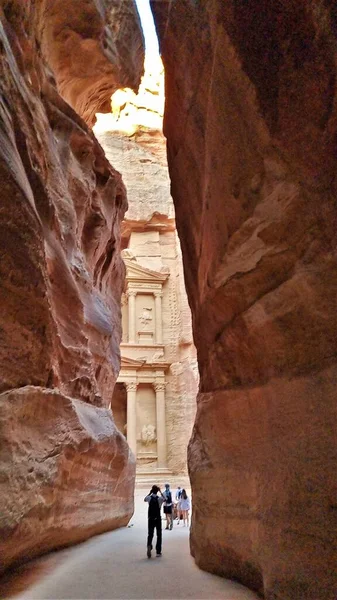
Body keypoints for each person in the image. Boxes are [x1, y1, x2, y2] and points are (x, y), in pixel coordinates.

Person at [144, 485, 165, 558]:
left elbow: (144, 499)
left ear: (152, 491)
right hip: (158, 519)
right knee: (159, 535)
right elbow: (165, 499)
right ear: (157, 491)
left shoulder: (149, 498)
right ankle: (158, 552)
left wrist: (149, 493)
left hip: (150, 519)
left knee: (150, 534)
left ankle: (149, 545)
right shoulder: (159, 499)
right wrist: (161, 492)